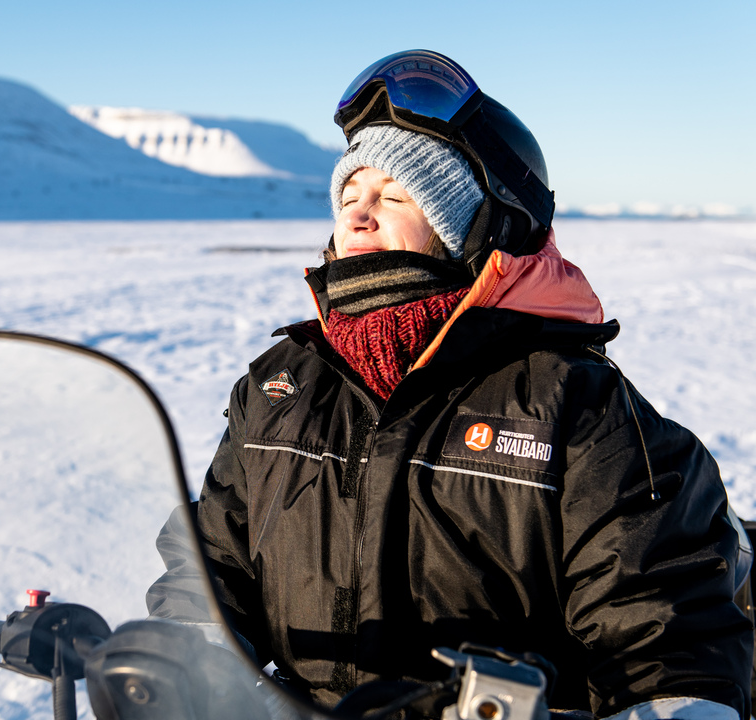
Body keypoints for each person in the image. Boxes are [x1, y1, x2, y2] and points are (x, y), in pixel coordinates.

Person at [148, 50, 753, 719]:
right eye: (348, 197)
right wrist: (186, 657)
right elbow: (215, 560)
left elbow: (664, 644)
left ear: (467, 226)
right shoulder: (281, 387)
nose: (357, 216)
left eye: (393, 196)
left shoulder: (576, 409)